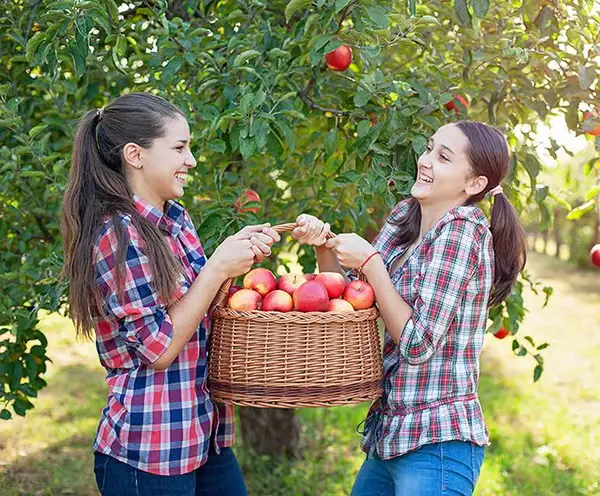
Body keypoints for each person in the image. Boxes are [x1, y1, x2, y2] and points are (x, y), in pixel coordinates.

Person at [60, 92, 280, 495]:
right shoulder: (118, 234)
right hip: (151, 450)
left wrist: (233, 257)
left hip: (204, 435)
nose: (191, 160)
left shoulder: (175, 220)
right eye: (179, 147)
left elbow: (198, 311)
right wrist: (215, 268)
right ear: (135, 155)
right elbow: (157, 348)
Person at [292, 121, 527, 495]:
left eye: (443, 157)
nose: (425, 160)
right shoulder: (405, 217)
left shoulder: (463, 231)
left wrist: (371, 263)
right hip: (390, 433)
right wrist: (324, 245)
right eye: (429, 148)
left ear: (475, 184)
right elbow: (354, 304)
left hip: (438, 442)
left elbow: (418, 344)